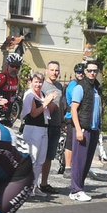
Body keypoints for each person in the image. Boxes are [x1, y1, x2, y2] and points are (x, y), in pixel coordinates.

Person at [68, 61, 102, 201]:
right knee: (79, 160)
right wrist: (78, 130)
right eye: (90, 70)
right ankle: (76, 189)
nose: (92, 73)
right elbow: (74, 109)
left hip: (94, 128)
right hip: (83, 127)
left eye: (95, 71)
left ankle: (79, 188)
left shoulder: (97, 88)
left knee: (87, 162)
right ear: (85, 71)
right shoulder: (80, 87)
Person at [21, 72, 53, 196]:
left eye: (40, 82)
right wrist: (46, 103)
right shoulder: (30, 95)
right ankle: (26, 187)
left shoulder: (42, 94)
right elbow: (33, 114)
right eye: (36, 81)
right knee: (32, 158)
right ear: (31, 82)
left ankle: (34, 186)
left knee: (40, 159)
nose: (38, 84)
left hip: (43, 128)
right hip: (33, 128)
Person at [40, 61, 67, 194]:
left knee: (49, 156)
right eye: (52, 70)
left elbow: (61, 105)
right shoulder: (42, 86)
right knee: (40, 156)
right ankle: (32, 183)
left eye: (56, 70)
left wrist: (62, 121)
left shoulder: (59, 86)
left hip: (56, 125)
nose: (54, 72)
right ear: (46, 71)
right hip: (44, 125)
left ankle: (44, 183)